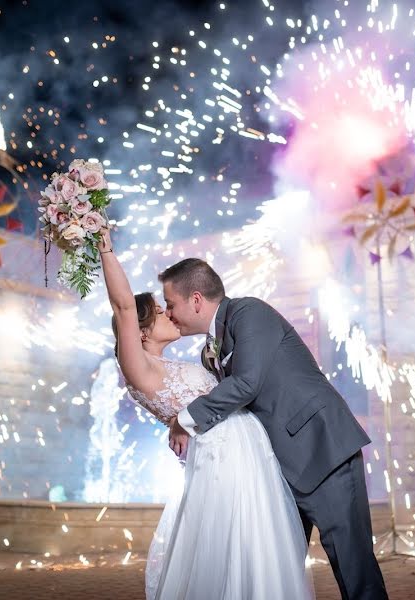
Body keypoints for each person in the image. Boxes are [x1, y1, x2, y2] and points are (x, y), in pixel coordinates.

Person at [98, 228, 313, 600]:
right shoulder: (140, 369)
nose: (169, 312)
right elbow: (123, 306)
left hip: (249, 454)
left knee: (257, 547)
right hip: (221, 460)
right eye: (161, 309)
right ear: (141, 332)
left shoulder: (179, 362)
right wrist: (104, 245)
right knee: (230, 548)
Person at [162, 257, 389, 600]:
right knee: (276, 574)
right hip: (277, 473)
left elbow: (247, 383)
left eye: (170, 304)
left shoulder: (249, 312)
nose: (168, 313)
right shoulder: (209, 349)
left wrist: (184, 420)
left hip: (322, 453)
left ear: (195, 300)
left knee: (354, 570)